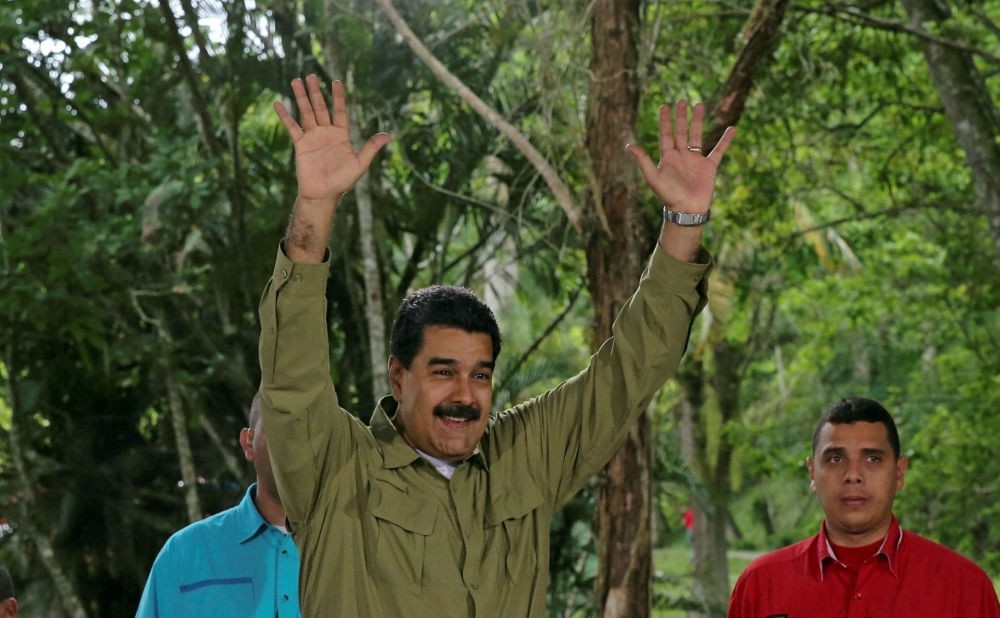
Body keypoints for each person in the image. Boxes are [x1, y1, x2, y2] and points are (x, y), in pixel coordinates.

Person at [260, 74, 735, 616]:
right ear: (399, 377)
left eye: (480, 374)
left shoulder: (523, 456)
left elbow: (632, 366)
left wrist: (685, 221)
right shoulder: (335, 469)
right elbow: (291, 374)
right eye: (443, 372)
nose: (466, 394)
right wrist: (315, 209)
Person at [728, 397, 1000, 617]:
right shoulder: (760, 584)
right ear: (812, 472)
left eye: (872, 458)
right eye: (835, 459)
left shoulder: (964, 588)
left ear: (899, 472)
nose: (853, 475)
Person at [136, 394, 300, 617]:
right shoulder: (183, 554)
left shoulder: (351, 549)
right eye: (279, 426)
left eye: (309, 431)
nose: (294, 445)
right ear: (248, 442)